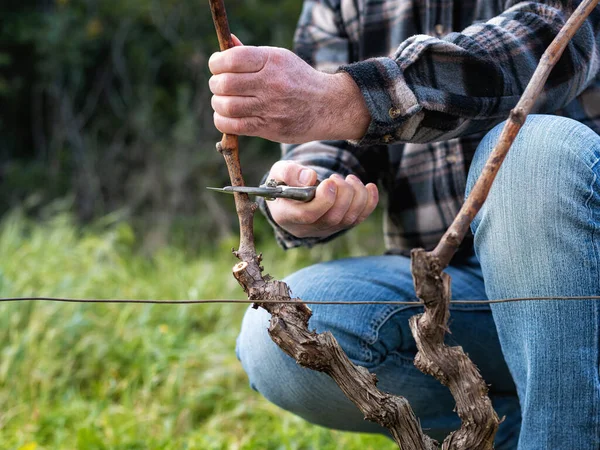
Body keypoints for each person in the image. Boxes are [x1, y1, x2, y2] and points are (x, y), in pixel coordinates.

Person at [208, 1, 600, 448]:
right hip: (450, 298)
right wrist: (301, 192)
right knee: (272, 339)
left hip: (584, 287)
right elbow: (322, 134)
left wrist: (345, 98)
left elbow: (552, 45)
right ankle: (525, 426)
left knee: (535, 153)